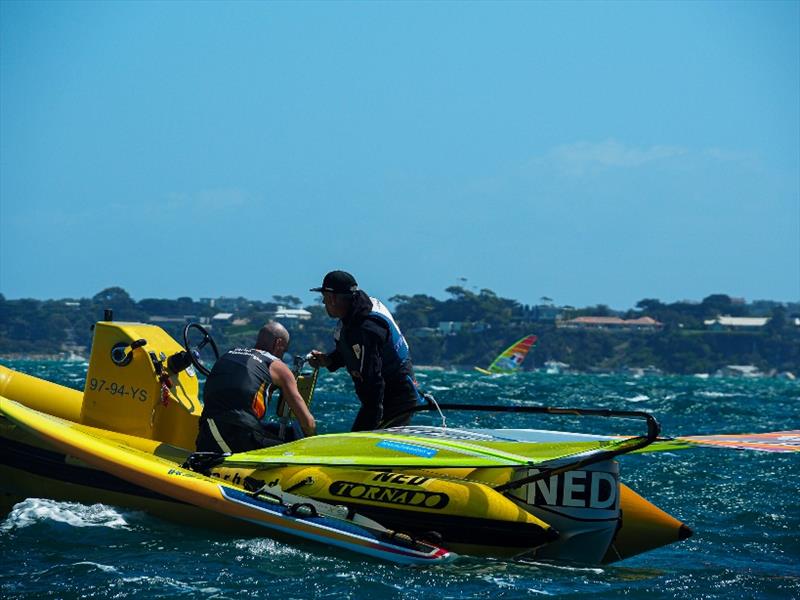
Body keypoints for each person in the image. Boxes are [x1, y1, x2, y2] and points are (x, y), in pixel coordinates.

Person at [307, 270, 422, 431]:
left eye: (324, 298)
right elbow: (354, 351)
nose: (323, 303)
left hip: (395, 397)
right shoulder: (358, 310)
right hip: (390, 393)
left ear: (333, 298)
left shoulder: (365, 329)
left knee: (367, 443)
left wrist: (365, 431)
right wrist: (329, 360)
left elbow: (373, 383)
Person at [195, 321, 316, 453]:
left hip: (205, 436)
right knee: (296, 430)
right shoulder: (277, 366)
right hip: (240, 441)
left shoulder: (228, 355)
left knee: (259, 426)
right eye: (284, 350)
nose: (282, 355)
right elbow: (307, 423)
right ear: (278, 343)